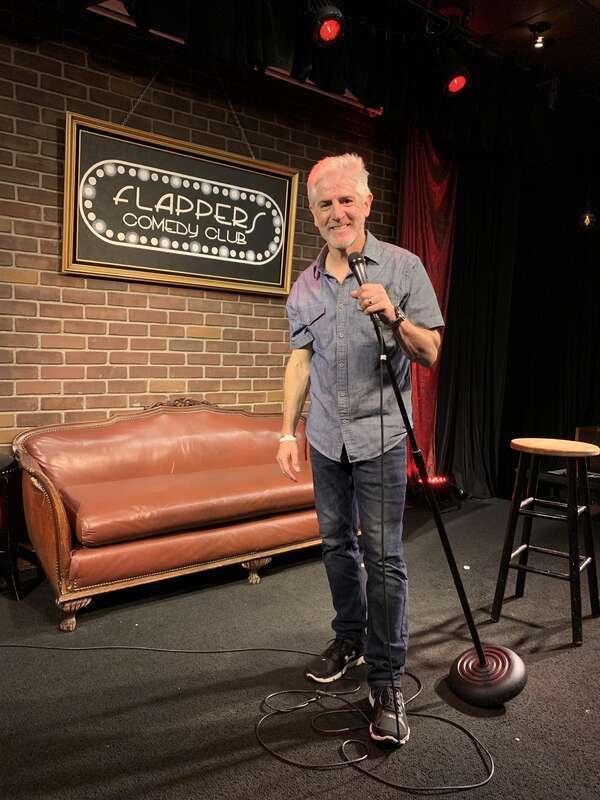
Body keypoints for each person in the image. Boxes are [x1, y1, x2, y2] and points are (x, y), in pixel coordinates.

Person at [276, 153, 444, 745]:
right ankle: (349, 636)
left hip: (378, 438)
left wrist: (395, 315)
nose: (337, 212)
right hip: (325, 438)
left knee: (385, 559)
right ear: (313, 215)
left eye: (347, 200)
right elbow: (300, 360)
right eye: (325, 204)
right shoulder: (305, 284)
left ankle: (387, 678)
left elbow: (429, 353)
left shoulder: (402, 267)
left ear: (367, 204)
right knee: (333, 546)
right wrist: (285, 432)